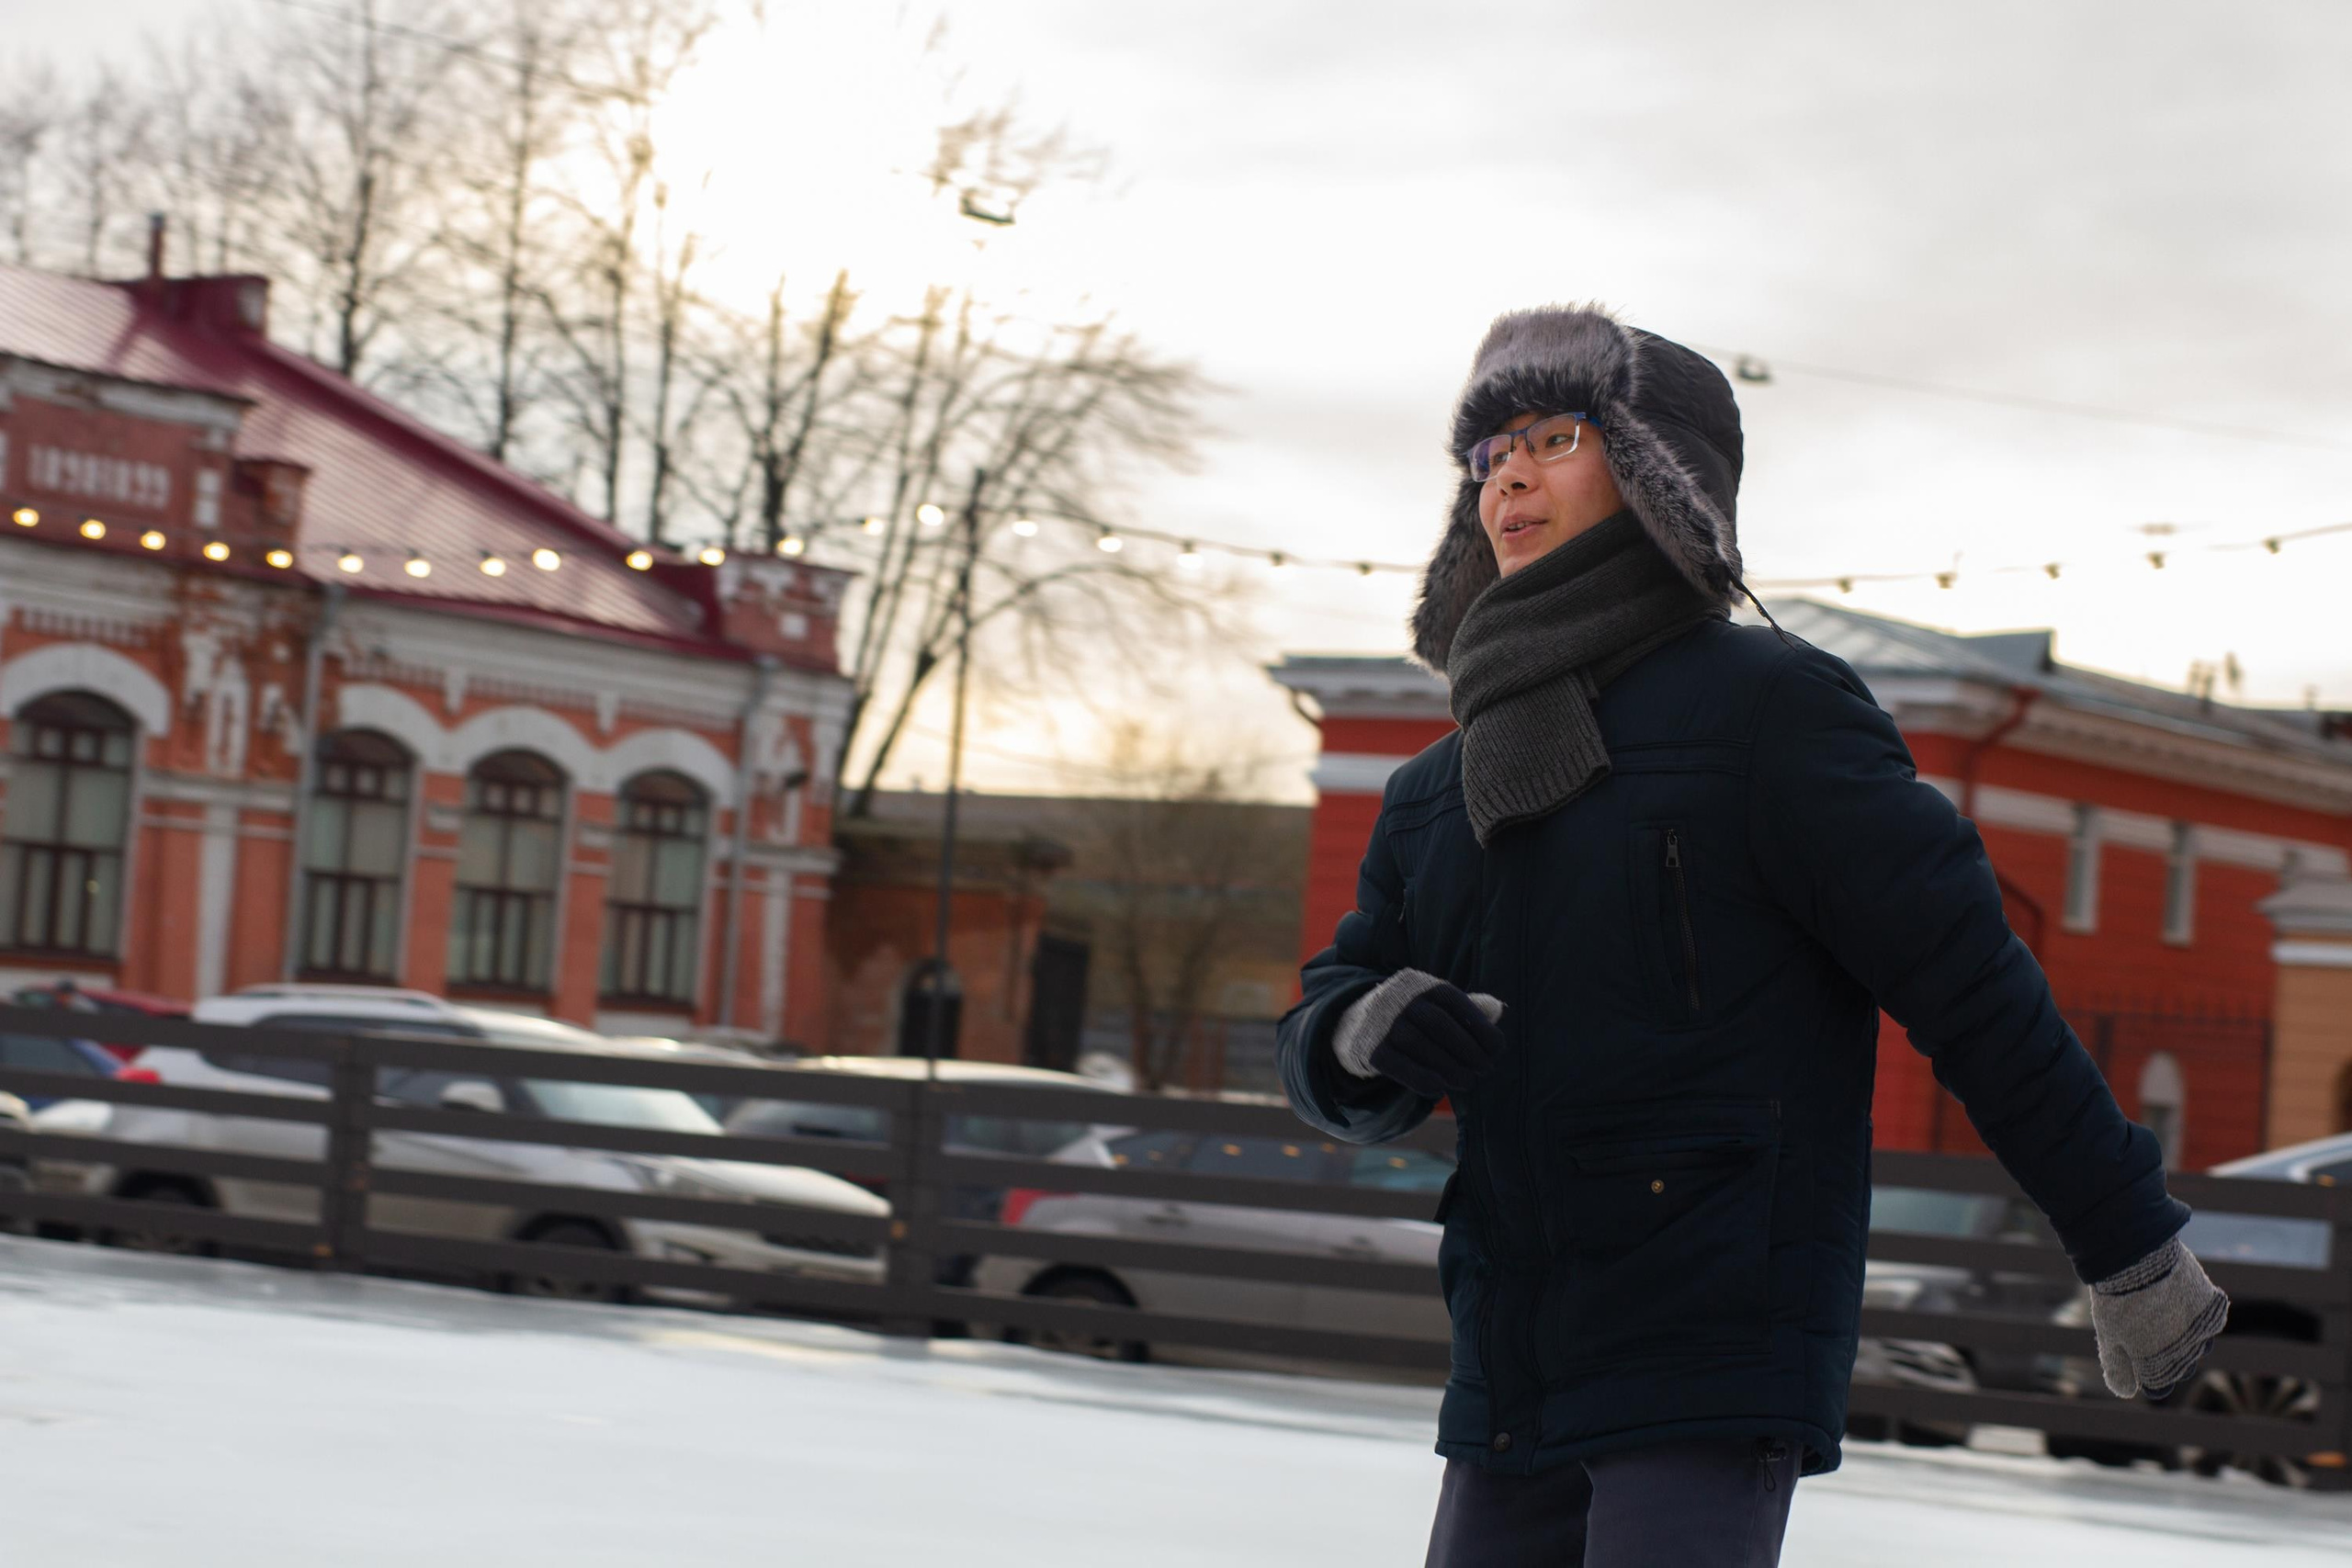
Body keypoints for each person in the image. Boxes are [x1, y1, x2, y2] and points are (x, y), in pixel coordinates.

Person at [1273, 305, 2228, 1568]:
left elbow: (1974, 993)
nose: (1508, 472)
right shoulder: (1435, 789)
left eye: (1554, 435)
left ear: (1660, 474)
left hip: (1714, 1340)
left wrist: (2128, 1243)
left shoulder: (1775, 711)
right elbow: (1326, 1002)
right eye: (1488, 452)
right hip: (1513, 1349)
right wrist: (1357, 1029)